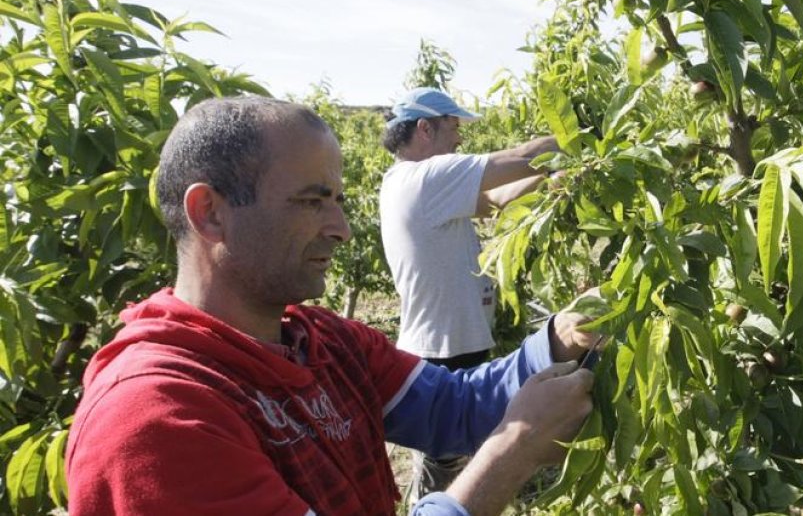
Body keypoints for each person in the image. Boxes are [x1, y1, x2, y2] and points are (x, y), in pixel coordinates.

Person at [65, 96, 595, 516]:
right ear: (210, 213)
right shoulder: (157, 419)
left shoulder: (323, 343)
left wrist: (562, 336)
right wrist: (511, 454)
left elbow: (451, 407)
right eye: (311, 201)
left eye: (337, 202)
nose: (340, 229)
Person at [378, 87, 559, 498]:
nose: (460, 138)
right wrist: (577, 140)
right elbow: (513, 159)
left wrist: (550, 179)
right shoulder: (424, 177)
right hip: (441, 349)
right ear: (425, 128)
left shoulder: (415, 184)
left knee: (457, 459)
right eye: (454, 127)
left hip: (450, 341)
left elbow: (495, 200)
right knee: (444, 465)